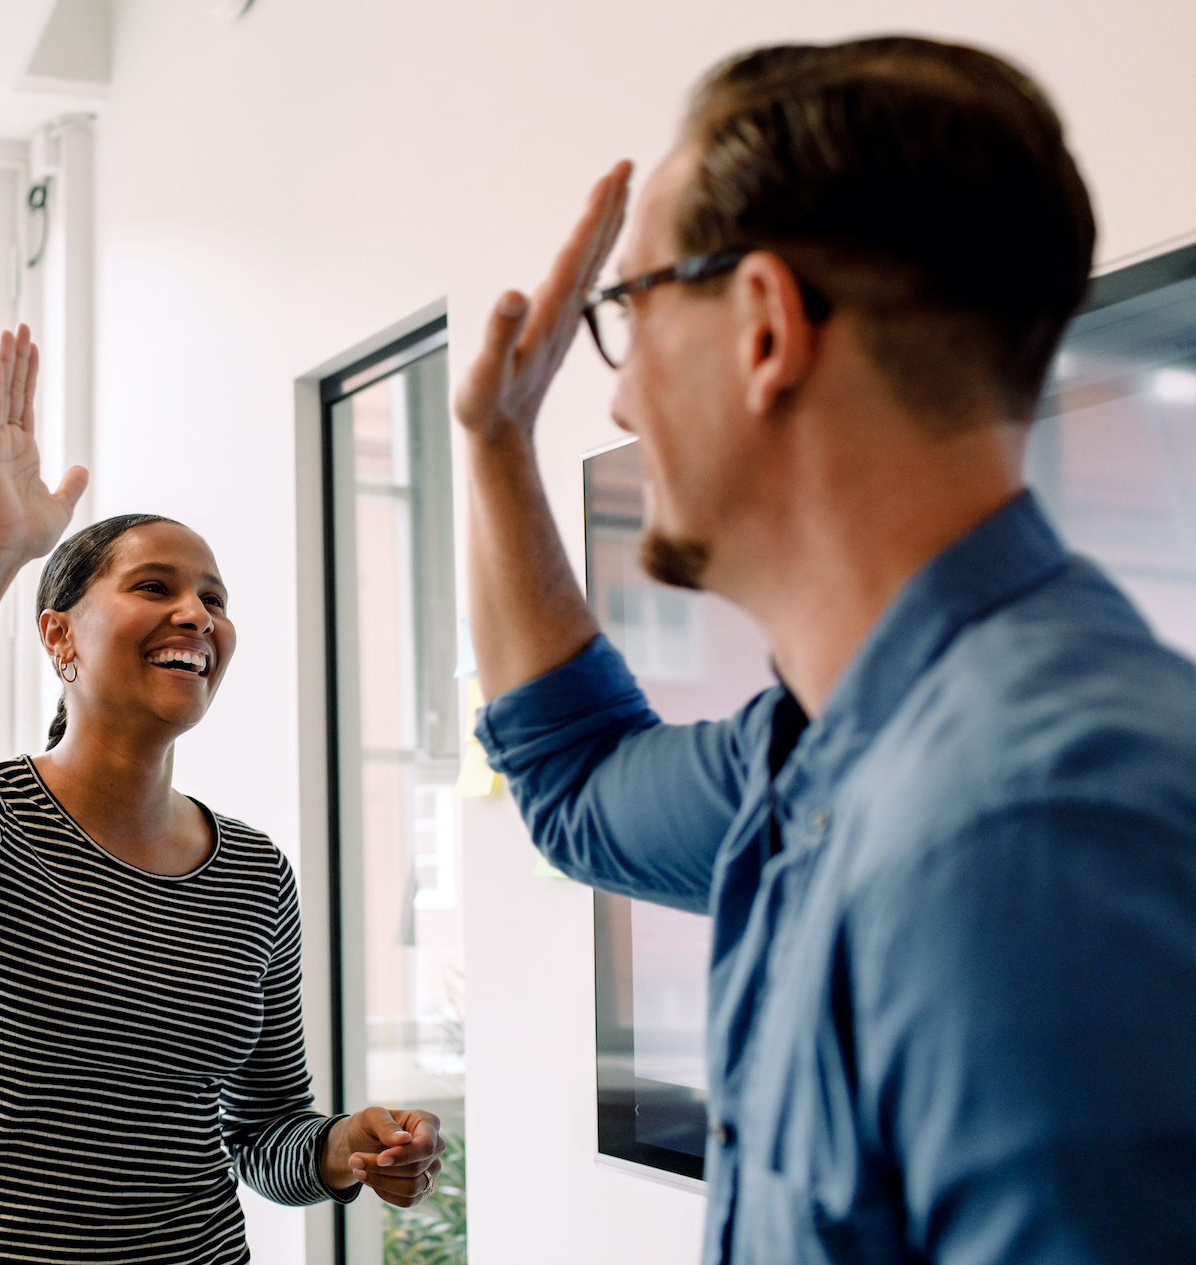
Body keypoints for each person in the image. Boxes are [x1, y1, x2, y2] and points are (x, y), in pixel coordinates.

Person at [457, 36, 1196, 1265]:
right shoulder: (811, 751)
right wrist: (493, 446)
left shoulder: (1032, 828)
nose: (620, 398)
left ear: (762, 327)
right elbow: (576, 783)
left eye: (628, 311)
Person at [0, 325, 443, 1264]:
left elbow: (268, 1136)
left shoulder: (254, 872)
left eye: (214, 598)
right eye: (155, 586)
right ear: (60, 638)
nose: (198, 615)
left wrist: (353, 1147)